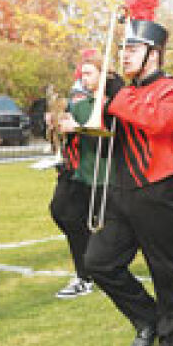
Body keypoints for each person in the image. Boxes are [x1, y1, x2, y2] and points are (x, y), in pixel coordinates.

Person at [83, 0, 173, 346]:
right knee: (99, 262)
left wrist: (116, 94)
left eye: (132, 49)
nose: (124, 55)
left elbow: (157, 122)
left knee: (166, 268)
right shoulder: (123, 92)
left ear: (154, 53)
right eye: (123, 48)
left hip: (158, 188)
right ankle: (148, 319)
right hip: (120, 188)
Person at [50, 49, 118, 298]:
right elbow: (71, 141)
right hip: (82, 175)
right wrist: (58, 128)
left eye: (89, 73)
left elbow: (110, 138)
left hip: (108, 176)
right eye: (82, 74)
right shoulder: (81, 105)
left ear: (103, 74)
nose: (83, 78)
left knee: (113, 229)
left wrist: (77, 128)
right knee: (63, 213)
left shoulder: (114, 104)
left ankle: (99, 272)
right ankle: (85, 274)